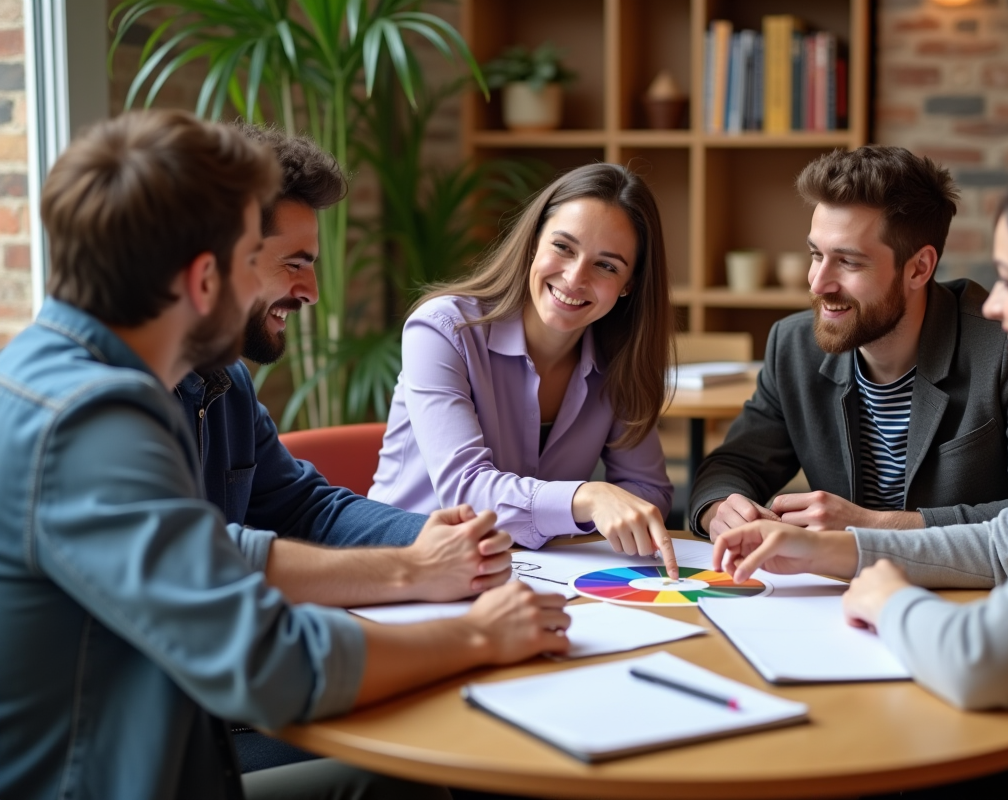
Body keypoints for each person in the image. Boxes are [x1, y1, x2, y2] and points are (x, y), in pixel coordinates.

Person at [0, 109, 571, 800]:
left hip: (170, 735)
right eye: (254, 260)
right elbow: (268, 658)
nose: (281, 289)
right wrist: (477, 637)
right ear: (203, 277)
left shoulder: (96, 379)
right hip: (120, 773)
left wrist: (423, 552)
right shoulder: (87, 424)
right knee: (420, 774)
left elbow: (242, 540)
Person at [711, 152, 1008, 800]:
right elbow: (1007, 543)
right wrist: (842, 550)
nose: (994, 306)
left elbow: (982, 662)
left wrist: (888, 599)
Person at [176, 123, 516, 773]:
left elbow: (306, 506)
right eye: (296, 263)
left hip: (221, 702)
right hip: (174, 738)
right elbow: (212, 565)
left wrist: (429, 538)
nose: (310, 293)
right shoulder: (113, 405)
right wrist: (425, 584)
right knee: (419, 766)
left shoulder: (227, 382)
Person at [690, 145, 1008, 539]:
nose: (818, 282)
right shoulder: (792, 346)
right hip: (836, 594)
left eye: (849, 261)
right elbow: (732, 466)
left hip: (962, 593)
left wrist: (872, 528)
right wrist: (721, 509)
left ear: (919, 268)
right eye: (815, 254)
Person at [368, 163, 679, 575]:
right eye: (563, 247)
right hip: (405, 572)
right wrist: (587, 501)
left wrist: (601, 507)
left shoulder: (619, 359)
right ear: (534, 242)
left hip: (531, 573)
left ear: (629, 284)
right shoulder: (442, 330)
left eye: (606, 266)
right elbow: (466, 492)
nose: (574, 277)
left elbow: (648, 490)